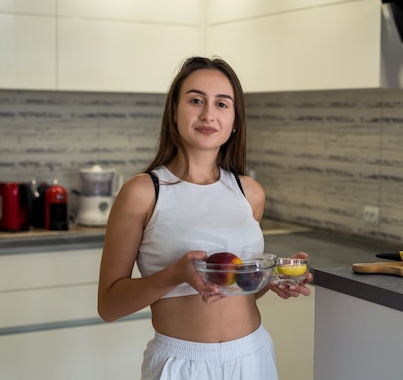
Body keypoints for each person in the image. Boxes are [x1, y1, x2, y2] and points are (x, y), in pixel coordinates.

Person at [97, 56, 312, 380]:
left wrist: (272, 279)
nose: (208, 114)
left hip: (252, 358)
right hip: (181, 365)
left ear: (235, 119)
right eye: (196, 100)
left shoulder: (250, 193)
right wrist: (175, 274)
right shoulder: (143, 192)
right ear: (173, 110)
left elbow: (240, 290)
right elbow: (109, 306)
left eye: (222, 104)